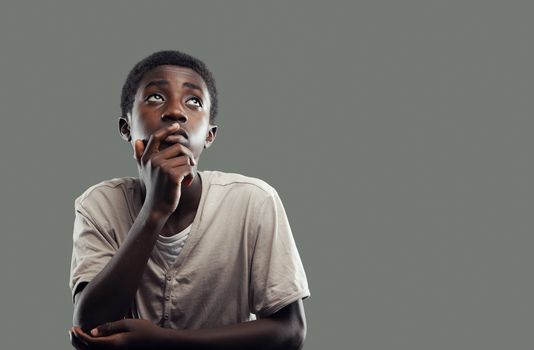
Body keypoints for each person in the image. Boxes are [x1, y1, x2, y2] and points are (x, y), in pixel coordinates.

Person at [68, 50, 310, 349]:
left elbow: (291, 332)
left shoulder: (254, 201)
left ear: (209, 135)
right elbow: (88, 327)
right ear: (126, 128)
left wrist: (165, 342)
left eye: (193, 101)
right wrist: (155, 210)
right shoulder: (98, 204)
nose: (176, 112)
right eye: (156, 97)